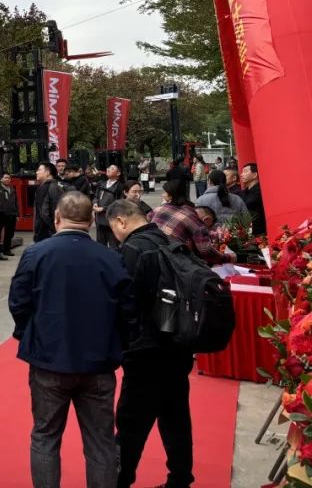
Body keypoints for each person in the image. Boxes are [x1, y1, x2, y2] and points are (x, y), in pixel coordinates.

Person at [8, 191, 132, 488]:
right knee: (100, 441)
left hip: (50, 359)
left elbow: (19, 303)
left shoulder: (36, 254)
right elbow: (129, 313)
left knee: (45, 436)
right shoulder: (111, 258)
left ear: (56, 218)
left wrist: (31, 334)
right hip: (98, 361)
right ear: (91, 220)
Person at [107, 199, 196, 488]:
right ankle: (179, 479)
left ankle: (120, 481)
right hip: (178, 346)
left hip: (146, 350)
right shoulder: (171, 242)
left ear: (121, 221)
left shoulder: (134, 249)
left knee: (130, 424)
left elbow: (126, 301)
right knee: (176, 418)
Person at [150, 178, 232, 265]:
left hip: (152, 255)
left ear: (171, 195)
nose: (162, 195)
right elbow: (205, 251)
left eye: (165, 192)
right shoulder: (191, 218)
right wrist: (228, 258)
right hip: (173, 262)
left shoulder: (158, 209)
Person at [92, 165, 126, 248]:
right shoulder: (102, 183)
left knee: (114, 246)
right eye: (108, 168)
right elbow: (96, 196)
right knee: (100, 245)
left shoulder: (120, 187)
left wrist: (103, 208)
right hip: (99, 219)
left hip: (112, 221)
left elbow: (119, 203)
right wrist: (95, 203)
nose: (108, 169)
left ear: (118, 173)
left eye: (112, 168)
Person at [33, 162, 62, 242]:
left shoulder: (44, 188)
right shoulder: (57, 186)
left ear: (47, 173)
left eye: (39, 170)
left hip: (45, 232)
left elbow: (44, 213)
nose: (36, 172)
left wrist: (52, 228)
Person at [0, 172, 20, 257]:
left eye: (9, 178)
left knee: (10, 233)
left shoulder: (12, 189)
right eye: (5, 178)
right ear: (1, 179)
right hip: (1, 214)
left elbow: (16, 202)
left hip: (12, 214)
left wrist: (17, 214)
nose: (7, 179)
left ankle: (7, 250)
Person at [240, 162, 265, 235]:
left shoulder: (260, 191)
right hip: (247, 230)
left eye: (245, 172)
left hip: (260, 230)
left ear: (254, 175)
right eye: (242, 172)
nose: (241, 174)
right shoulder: (244, 192)